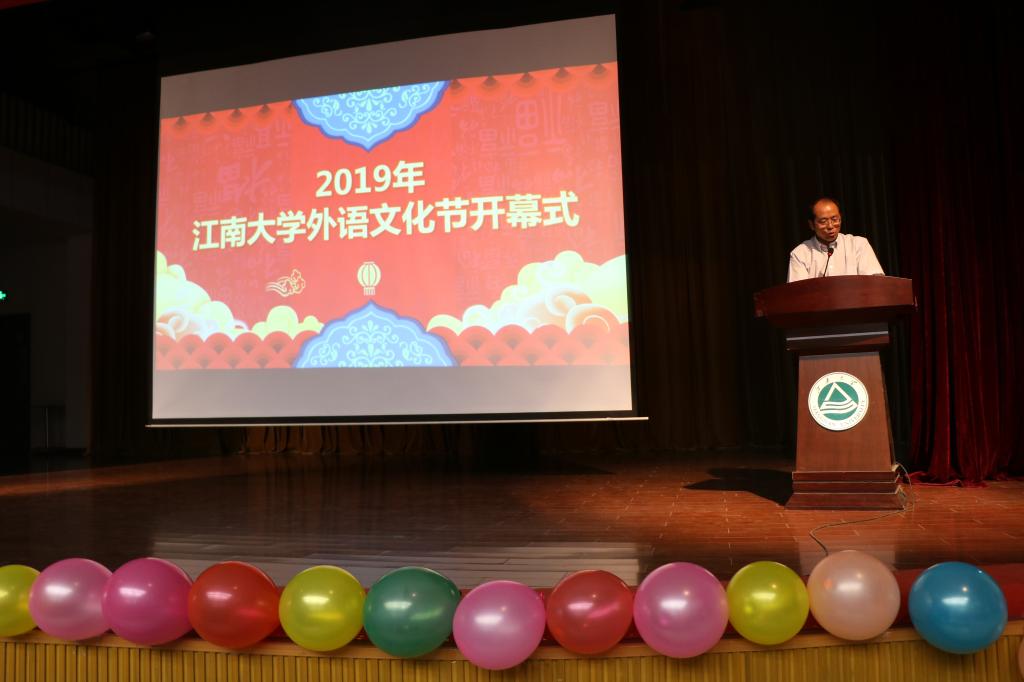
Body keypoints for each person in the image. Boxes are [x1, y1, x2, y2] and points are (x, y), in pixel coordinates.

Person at [787, 197, 884, 282]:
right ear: (811, 225)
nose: (830, 226)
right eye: (823, 221)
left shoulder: (858, 245)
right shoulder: (800, 254)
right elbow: (798, 293)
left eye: (834, 219)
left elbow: (875, 283)